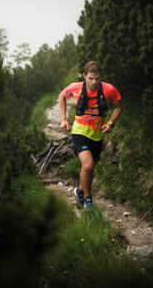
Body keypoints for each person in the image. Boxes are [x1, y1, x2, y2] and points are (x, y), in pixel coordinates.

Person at [59, 61, 123, 209]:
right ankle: (88, 200)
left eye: (97, 78)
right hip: (79, 132)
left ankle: (79, 191)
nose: (94, 82)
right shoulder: (75, 87)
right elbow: (62, 96)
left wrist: (111, 123)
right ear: (84, 76)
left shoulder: (109, 89)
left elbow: (119, 107)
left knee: (89, 169)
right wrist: (63, 119)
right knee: (87, 165)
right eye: (91, 78)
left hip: (97, 135)